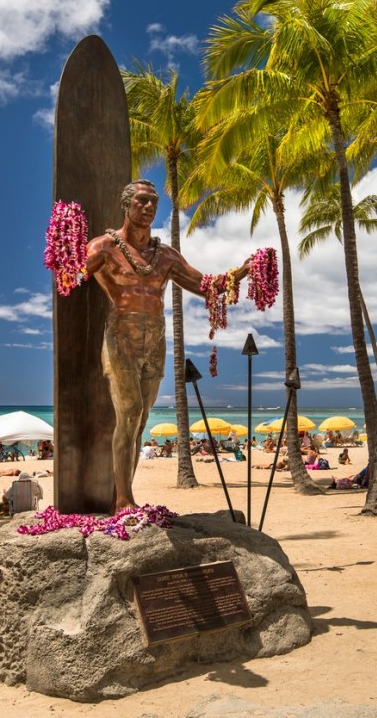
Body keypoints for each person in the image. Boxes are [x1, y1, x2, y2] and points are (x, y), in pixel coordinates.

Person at [84, 179, 251, 513]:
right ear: (127, 205)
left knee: (141, 419)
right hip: (121, 333)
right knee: (129, 412)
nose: (148, 207)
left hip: (156, 337)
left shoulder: (166, 256)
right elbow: (70, 275)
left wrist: (242, 272)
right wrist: (64, 239)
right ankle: (122, 500)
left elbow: (205, 286)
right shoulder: (103, 247)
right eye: (142, 201)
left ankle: (125, 495)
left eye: (153, 202)